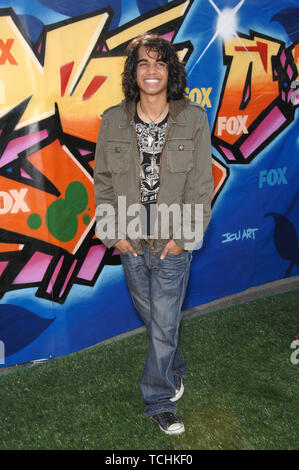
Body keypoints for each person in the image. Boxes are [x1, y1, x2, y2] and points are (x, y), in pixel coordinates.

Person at [94, 33, 213, 435]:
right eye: (143, 63)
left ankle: (158, 399)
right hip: (130, 242)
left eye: (160, 63)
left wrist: (183, 238)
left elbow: (200, 184)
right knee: (156, 321)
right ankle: (175, 367)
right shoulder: (112, 119)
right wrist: (115, 236)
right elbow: (104, 182)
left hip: (171, 244)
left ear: (171, 72)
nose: (151, 71)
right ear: (134, 72)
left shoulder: (193, 119)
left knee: (163, 323)